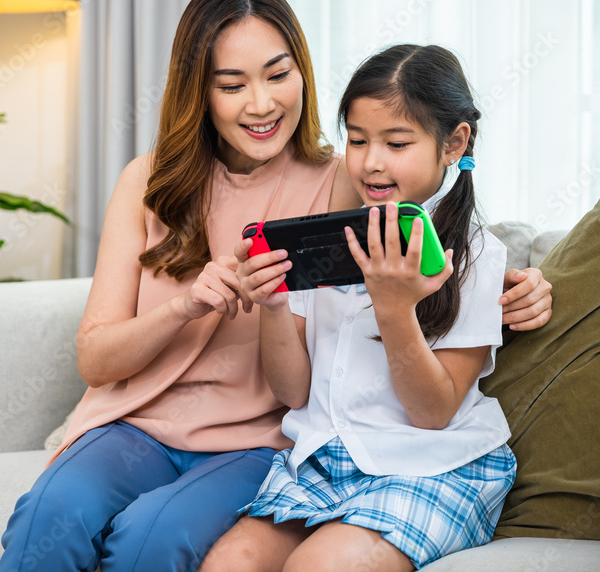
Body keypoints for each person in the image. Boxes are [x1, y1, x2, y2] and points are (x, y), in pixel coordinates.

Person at [0, 0, 551, 572]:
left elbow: (437, 226)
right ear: (199, 92)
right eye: (232, 85)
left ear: (302, 74)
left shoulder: (344, 180)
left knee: (150, 539)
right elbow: (96, 358)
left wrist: (522, 285)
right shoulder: (147, 180)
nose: (260, 104)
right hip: (142, 428)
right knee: (48, 515)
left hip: (258, 442)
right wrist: (186, 307)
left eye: (278, 74)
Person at [201, 44, 519, 572]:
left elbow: (433, 414)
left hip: (431, 466)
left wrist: (394, 310)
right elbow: (292, 392)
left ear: (453, 143)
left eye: (397, 143)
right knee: (228, 564)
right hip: (325, 462)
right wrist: (274, 304)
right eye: (357, 139)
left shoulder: (476, 256)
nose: (371, 162)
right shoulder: (323, 239)